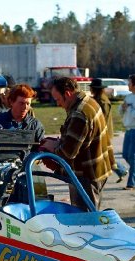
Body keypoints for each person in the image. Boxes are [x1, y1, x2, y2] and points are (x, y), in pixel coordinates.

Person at [41, 76, 114, 210]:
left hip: (86, 175)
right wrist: (58, 142)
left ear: (67, 93)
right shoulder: (88, 101)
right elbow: (82, 141)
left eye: (58, 99)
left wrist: (52, 149)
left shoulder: (79, 114)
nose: (58, 104)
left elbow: (68, 153)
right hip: (96, 169)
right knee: (89, 212)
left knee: (85, 218)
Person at [89, 78, 128, 183]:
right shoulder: (97, 99)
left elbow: (103, 118)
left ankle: (120, 170)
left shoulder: (103, 101)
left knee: (103, 154)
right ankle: (120, 170)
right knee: (103, 154)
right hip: (102, 132)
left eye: (92, 88)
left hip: (103, 132)